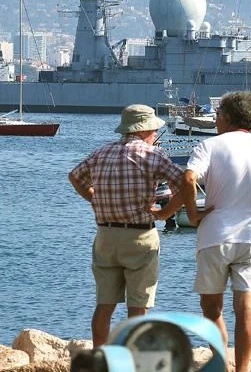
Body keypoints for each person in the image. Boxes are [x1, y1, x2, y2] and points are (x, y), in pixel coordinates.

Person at [68, 103, 189, 346]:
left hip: (105, 236)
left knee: (104, 306)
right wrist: (165, 213)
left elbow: (75, 176)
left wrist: (95, 199)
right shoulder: (153, 155)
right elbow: (186, 184)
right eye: (154, 130)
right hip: (140, 237)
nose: (155, 134)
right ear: (145, 130)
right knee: (138, 307)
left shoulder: (101, 153)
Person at [180, 91, 251, 372]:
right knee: (246, 308)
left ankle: (222, 363)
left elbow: (189, 178)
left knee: (212, 309)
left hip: (216, 236)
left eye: (217, 116)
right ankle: (243, 369)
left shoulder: (209, 145)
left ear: (226, 117)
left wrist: (192, 213)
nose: (215, 121)